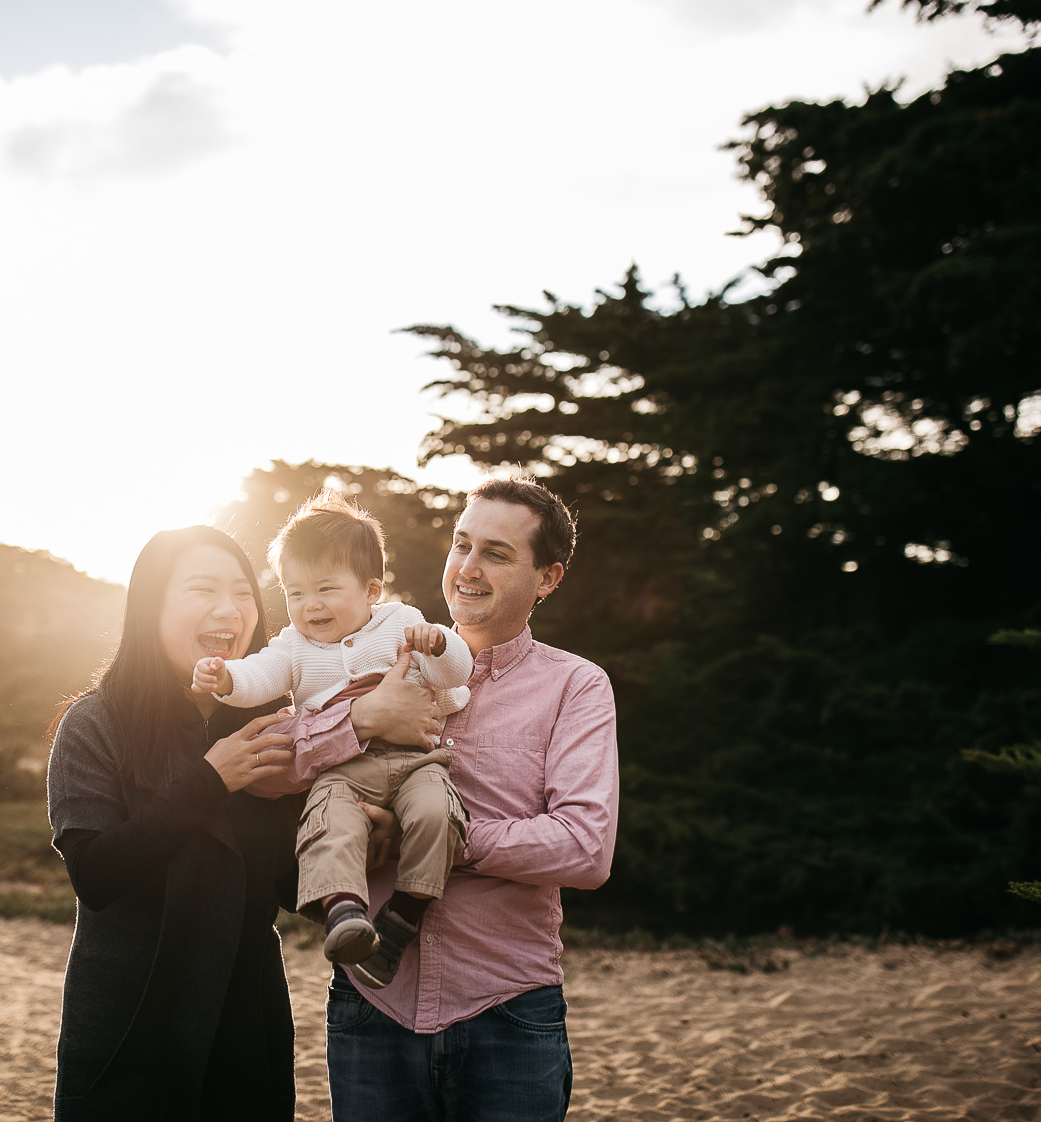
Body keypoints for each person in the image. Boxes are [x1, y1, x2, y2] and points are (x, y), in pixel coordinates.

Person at [254, 473, 619, 1122]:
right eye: (461, 544)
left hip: (508, 1007)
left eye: (497, 554)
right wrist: (361, 721)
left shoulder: (576, 688)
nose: (468, 568)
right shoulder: (373, 648)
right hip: (373, 1002)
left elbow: (584, 849)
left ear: (548, 578)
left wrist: (433, 834)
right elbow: (271, 769)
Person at [45, 525, 303, 1121]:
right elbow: (97, 874)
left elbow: (289, 888)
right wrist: (211, 780)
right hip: (129, 1010)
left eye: (243, 593)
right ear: (150, 608)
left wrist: (359, 835)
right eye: (202, 589)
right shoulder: (95, 723)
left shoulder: (278, 725)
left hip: (245, 1016)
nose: (228, 609)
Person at [193, 492, 472, 983]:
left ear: (370, 591)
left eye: (325, 588)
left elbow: (454, 676)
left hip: (416, 761)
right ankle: (344, 910)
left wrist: (443, 643)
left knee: (437, 815)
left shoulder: (402, 622)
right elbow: (261, 673)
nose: (309, 605)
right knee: (330, 821)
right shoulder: (294, 648)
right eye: (294, 592)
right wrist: (227, 680)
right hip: (342, 768)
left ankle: (404, 915)